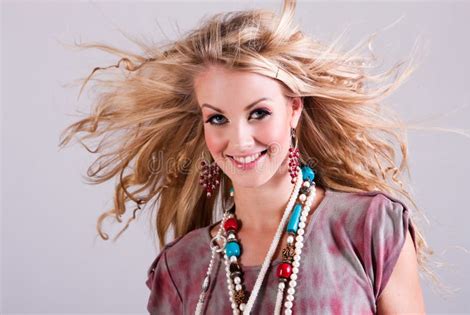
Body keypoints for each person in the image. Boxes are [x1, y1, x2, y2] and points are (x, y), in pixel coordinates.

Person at [59, 0, 432, 313]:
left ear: (294, 110)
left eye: (258, 113)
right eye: (217, 118)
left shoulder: (369, 228)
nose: (238, 141)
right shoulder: (183, 267)